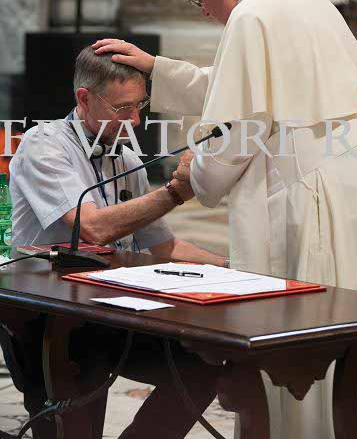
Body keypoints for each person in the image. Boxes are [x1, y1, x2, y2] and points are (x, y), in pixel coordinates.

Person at [94, 0, 357, 439]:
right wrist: (157, 69)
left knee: (305, 331)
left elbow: (235, 128)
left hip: (313, 188)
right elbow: (244, 85)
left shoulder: (252, 15)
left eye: (198, 0)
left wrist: (196, 175)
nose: (204, 12)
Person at [8, 46, 223, 439]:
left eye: (140, 106)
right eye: (123, 108)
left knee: (203, 365)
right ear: (84, 98)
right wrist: (174, 193)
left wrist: (235, 266)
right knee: (73, 429)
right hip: (48, 316)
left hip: (109, 312)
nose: (136, 120)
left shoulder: (127, 160)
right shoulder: (44, 144)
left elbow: (165, 248)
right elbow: (90, 228)